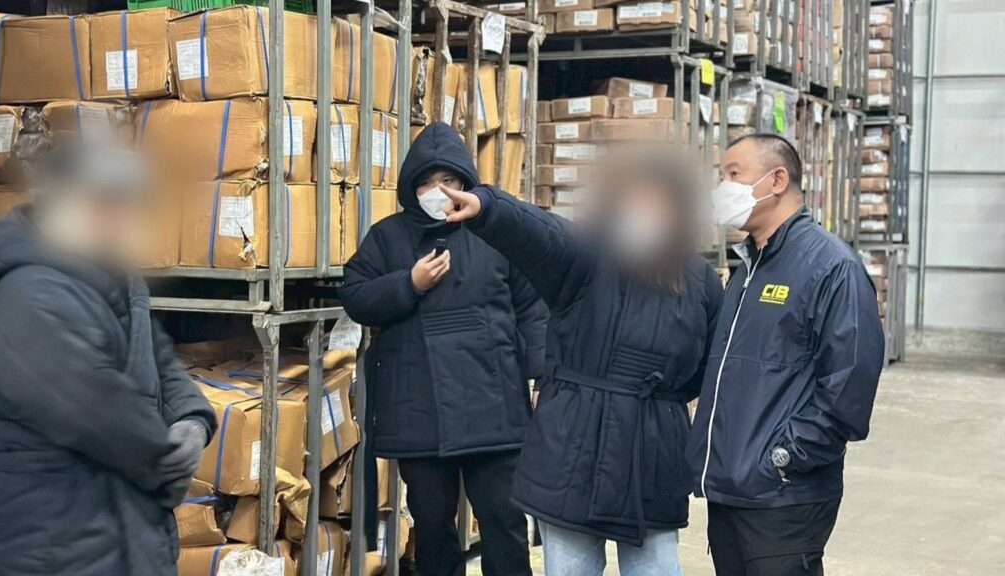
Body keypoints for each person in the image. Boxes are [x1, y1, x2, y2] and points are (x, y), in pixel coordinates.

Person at [439, 146, 724, 576]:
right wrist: (488, 207)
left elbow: (706, 368)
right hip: (573, 445)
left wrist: (661, 407)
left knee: (657, 567)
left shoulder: (700, 279)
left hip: (653, 452)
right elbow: (538, 233)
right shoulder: (586, 254)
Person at [0, 145, 217, 576]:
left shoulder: (121, 283)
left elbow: (160, 361)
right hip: (54, 541)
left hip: (125, 530)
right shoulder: (28, 296)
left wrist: (193, 417)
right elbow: (101, 416)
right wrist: (167, 466)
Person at [339, 122, 547, 576]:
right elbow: (354, 295)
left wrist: (541, 378)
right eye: (428, 182)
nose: (438, 191)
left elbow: (533, 307)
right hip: (419, 407)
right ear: (411, 188)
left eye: (449, 180)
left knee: (504, 520)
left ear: (465, 183)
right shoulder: (387, 237)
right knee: (432, 526)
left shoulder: (495, 232)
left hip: (493, 404)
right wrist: (408, 284)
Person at [685, 134, 885, 576]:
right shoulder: (749, 269)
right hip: (732, 490)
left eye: (734, 174)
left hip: (784, 496)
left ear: (776, 180)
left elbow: (848, 391)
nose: (722, 187)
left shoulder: (831, 267)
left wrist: (782, 459)